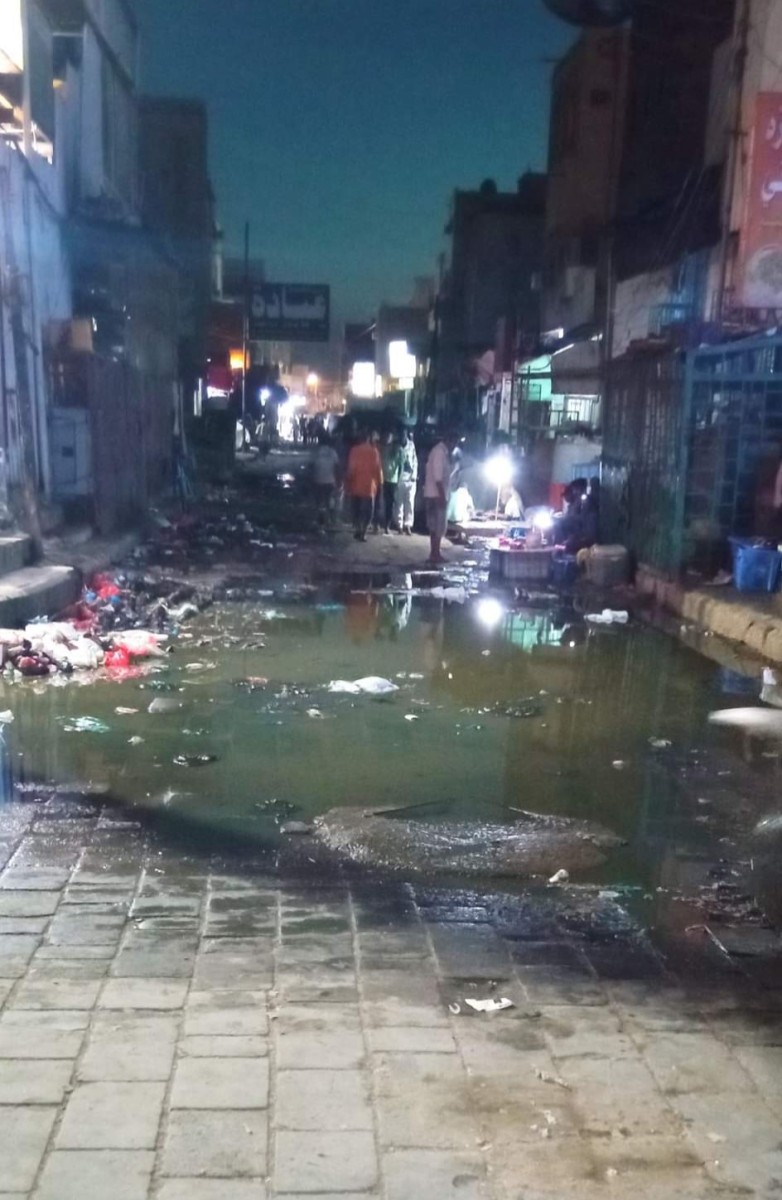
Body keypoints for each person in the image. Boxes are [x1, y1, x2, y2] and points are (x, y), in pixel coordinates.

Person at [423, 430, 457, 565]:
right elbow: (438, 478)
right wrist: (442, 496)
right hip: (436, 495)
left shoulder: (442, 453)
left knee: (435, 526)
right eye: (454, 443)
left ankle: (435, 553)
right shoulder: (439, 452)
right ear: (449, 441)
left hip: (435, 494)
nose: (454, 446)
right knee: (438, 526)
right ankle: (435, 554)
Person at [346, 430, 383, 541]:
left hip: (356, 485)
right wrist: (380, 484)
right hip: (369, 487)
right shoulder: (374, 452)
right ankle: (364, 531)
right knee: (368, 511)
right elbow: (378, 470)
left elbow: (351, 469)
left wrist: (347, 481)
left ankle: (358, 528)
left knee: (356, 509)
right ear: (368, 439)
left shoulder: (354, 451)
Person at [312, 432, 341, 526]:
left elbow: (312, 466)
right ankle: (329, 519)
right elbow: (337, 467)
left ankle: (319, 520)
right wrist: (338, 480)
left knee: (319, 502)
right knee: (329, 501)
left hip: (318, 480)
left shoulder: (316, 452)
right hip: (330, 481)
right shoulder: (333, 452)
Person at [396, 428, 418, 535]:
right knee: (399, 503)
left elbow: (415, 461)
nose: (403, 436)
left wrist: (414, 476)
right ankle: (399, 525)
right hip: (400, 479)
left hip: (410, 479)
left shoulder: (411, 445)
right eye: (401, 434)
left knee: (409, 503)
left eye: (404, 434)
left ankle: (408, 525)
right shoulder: (396, 447)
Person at [380, 432, 401, 534]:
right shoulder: (382, 448)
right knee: (380, 502)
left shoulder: (397, 450)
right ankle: (377, 523)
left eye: (389, 436)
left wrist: (398, 480)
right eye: (386, 436)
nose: (387, 438)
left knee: (389, 504)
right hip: (382, 479)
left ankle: (386, 525)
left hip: (392, 481)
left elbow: (400, 466)